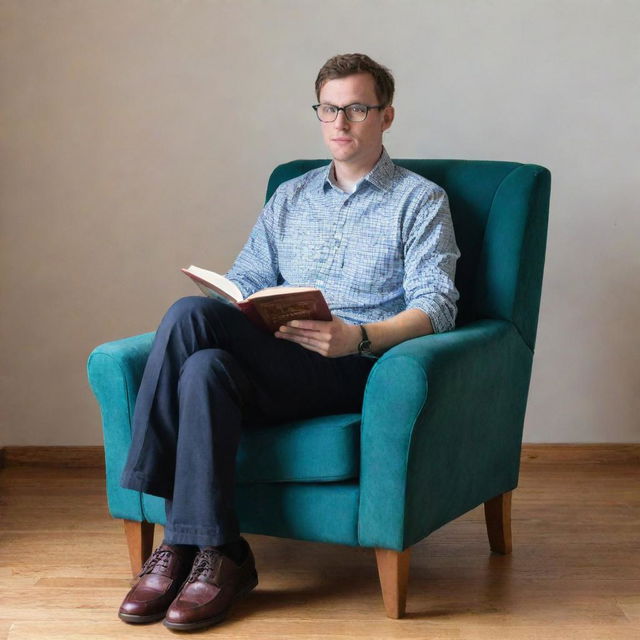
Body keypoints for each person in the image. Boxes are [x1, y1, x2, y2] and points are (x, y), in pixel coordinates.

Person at [117, 53, 460, 632]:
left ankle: (168, 523)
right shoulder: (291, 197)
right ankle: (215, 555)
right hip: (278, 359)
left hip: (352, 366)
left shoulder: (419, 200)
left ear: (386, 116)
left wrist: (358, 337)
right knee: (203, 366)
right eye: (329, 109)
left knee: (186, 319)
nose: (340, 123)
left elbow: (440, 306)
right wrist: (233, 296)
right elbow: (247, 278)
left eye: (356, 108)